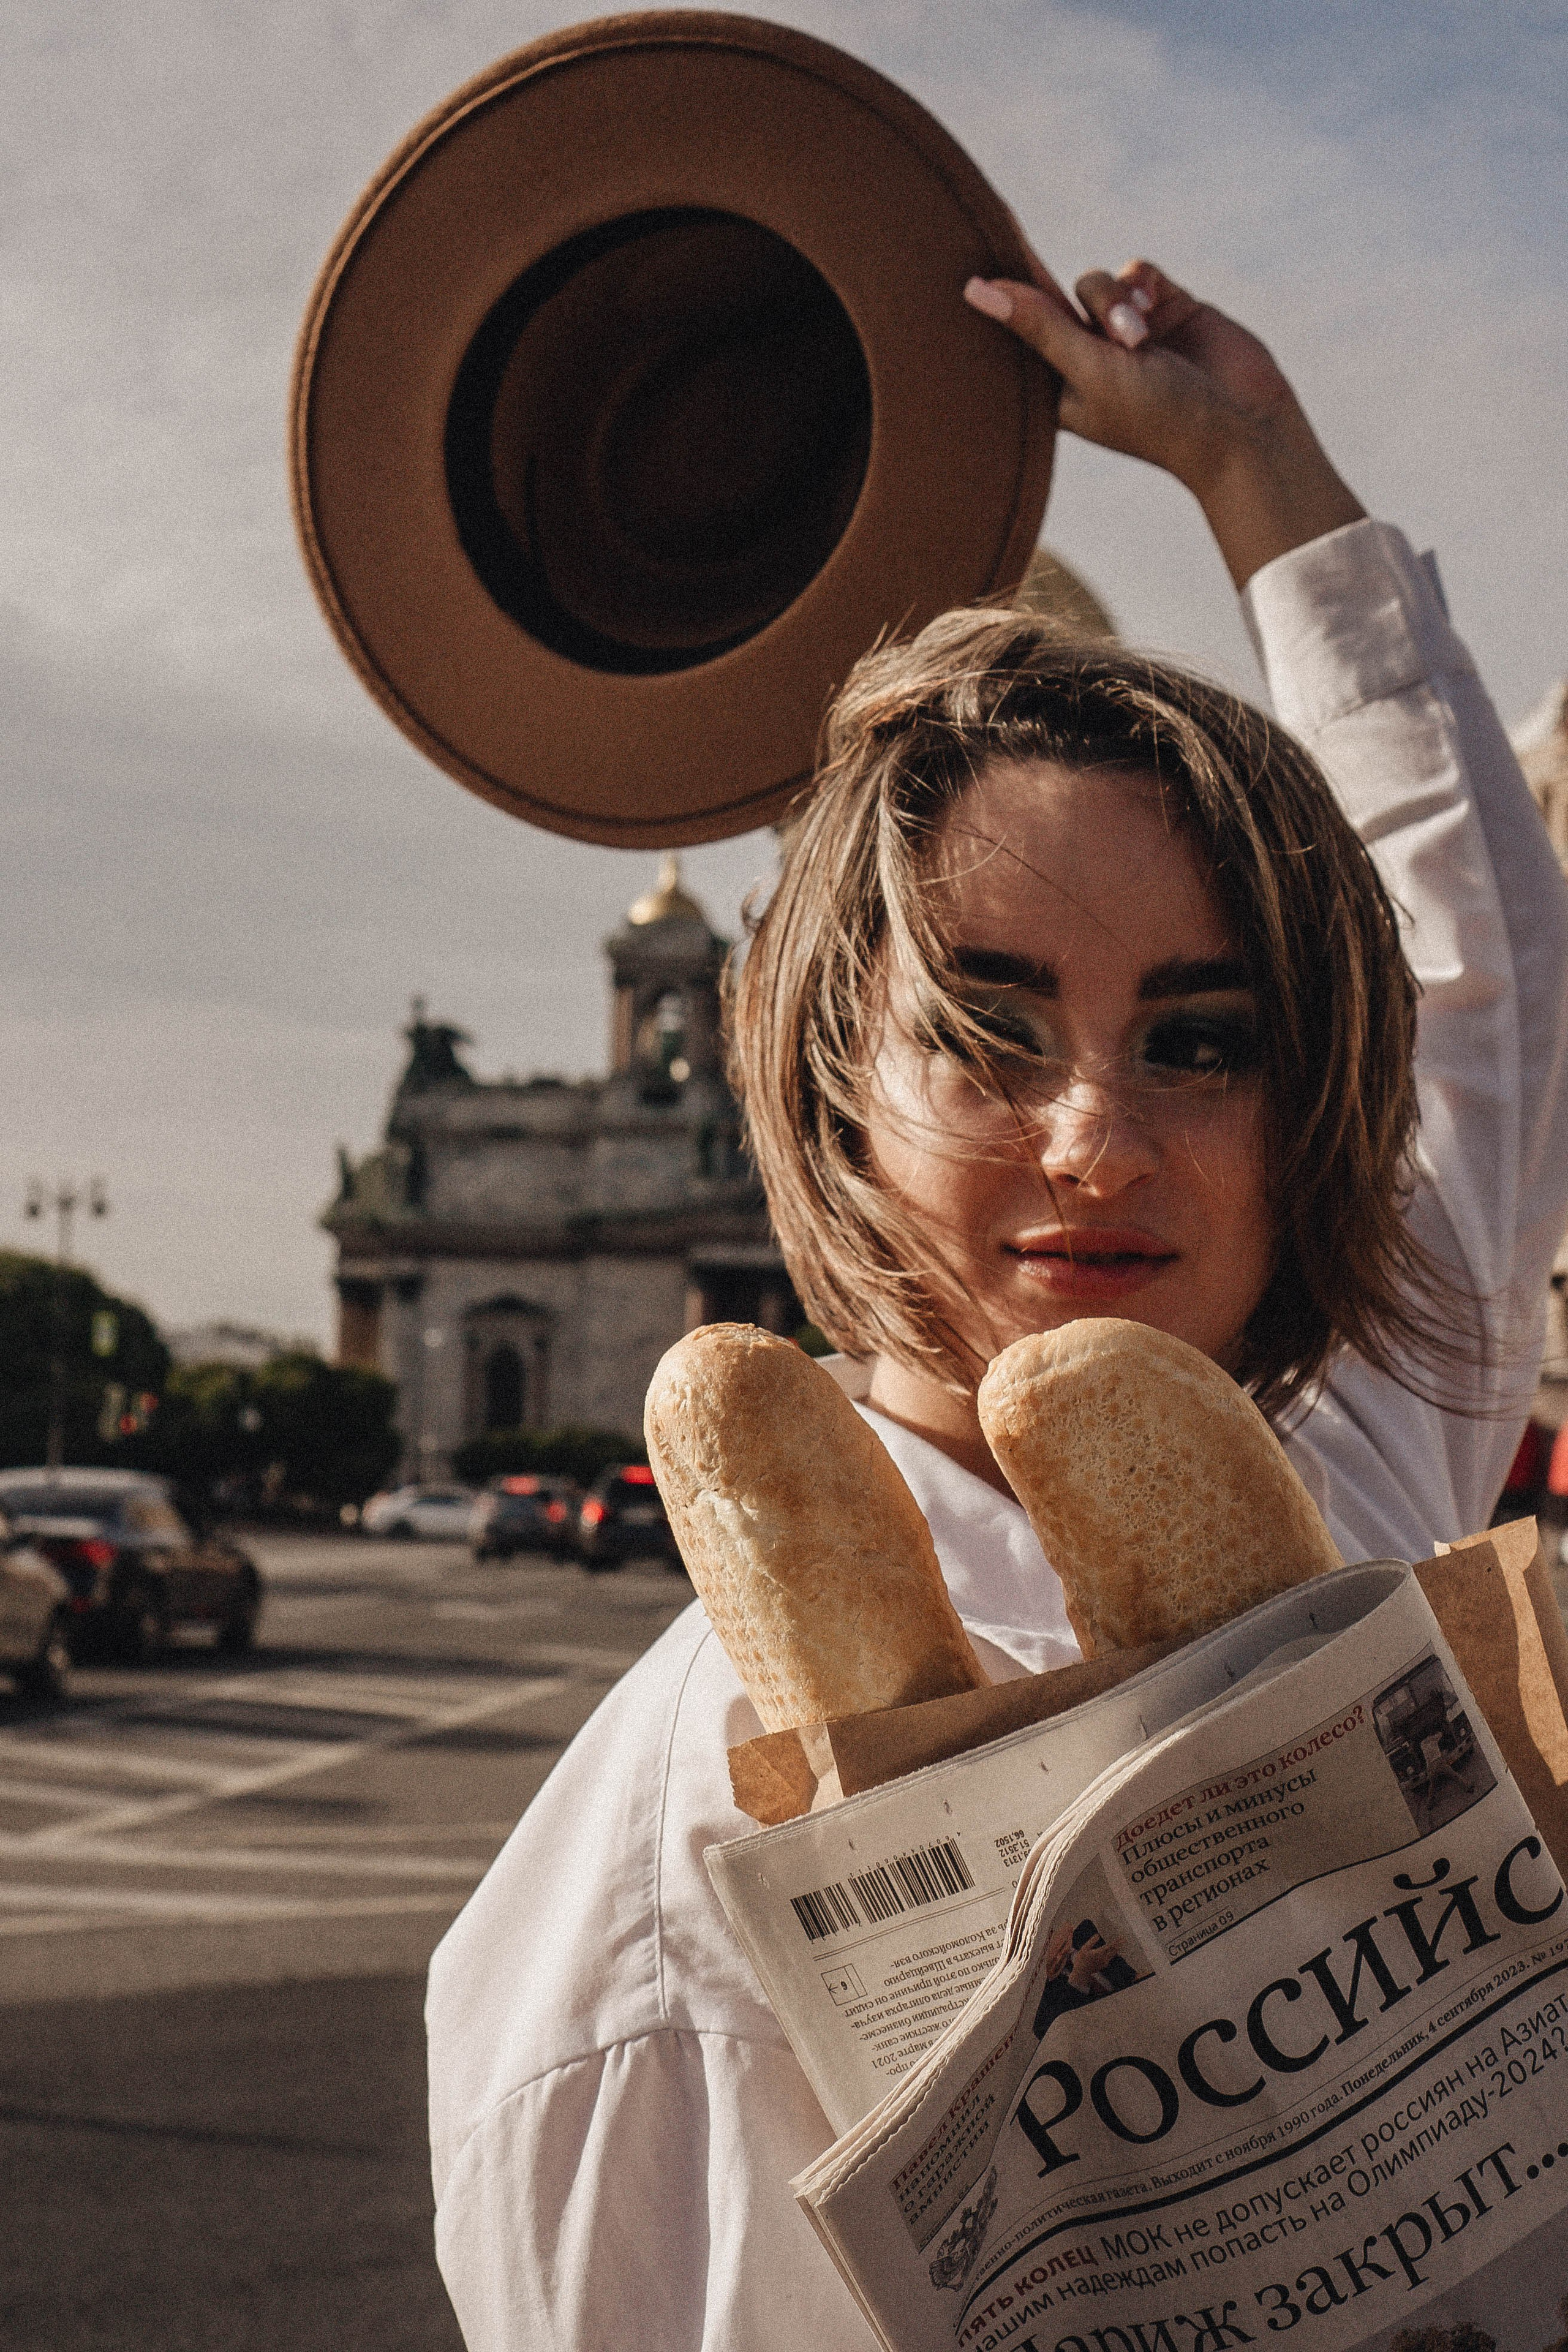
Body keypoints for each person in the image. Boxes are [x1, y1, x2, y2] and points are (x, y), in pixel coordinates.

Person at [425, 251, 1568, 2351]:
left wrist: (1253, 468)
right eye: (989, 1028)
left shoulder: (1364, 1463)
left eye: (1204, 1038)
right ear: (823, 1073)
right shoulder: (662, 1901)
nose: (1098, 1144)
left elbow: (1481, 983)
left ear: (1307, 1095)